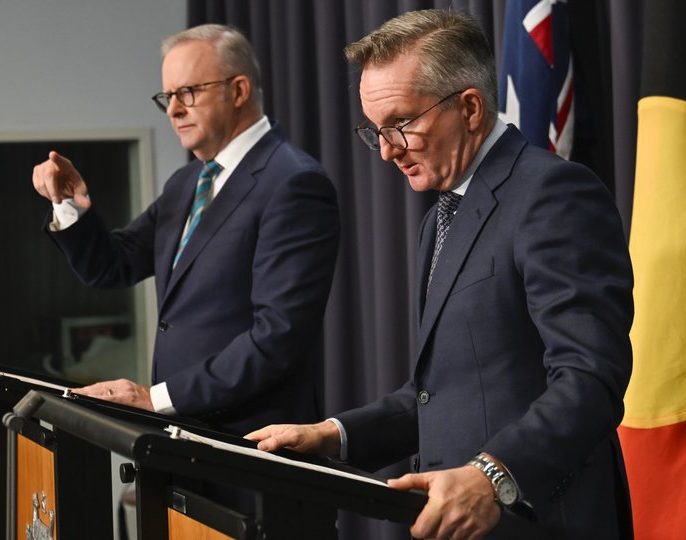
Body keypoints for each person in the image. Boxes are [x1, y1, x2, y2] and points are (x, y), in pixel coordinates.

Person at [247, 9, 633, 540]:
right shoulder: (440, 217)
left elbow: (591, 377)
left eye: (400, 124)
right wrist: (330, 435)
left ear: (470, 107)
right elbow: (438, 394)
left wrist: (493, 475)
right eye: (374, 131)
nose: (385, 151)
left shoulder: (554, 195)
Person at [31, 24, 340, 437]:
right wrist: (68, 204)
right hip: (182, 436)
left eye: (188, 93)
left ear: (240, 90)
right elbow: (112, 267)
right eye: (167, 97)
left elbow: (277, 337)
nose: (174, 110)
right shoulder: (187, 182)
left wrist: (155, 398)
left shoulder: (293, 182)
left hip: (254, 443)